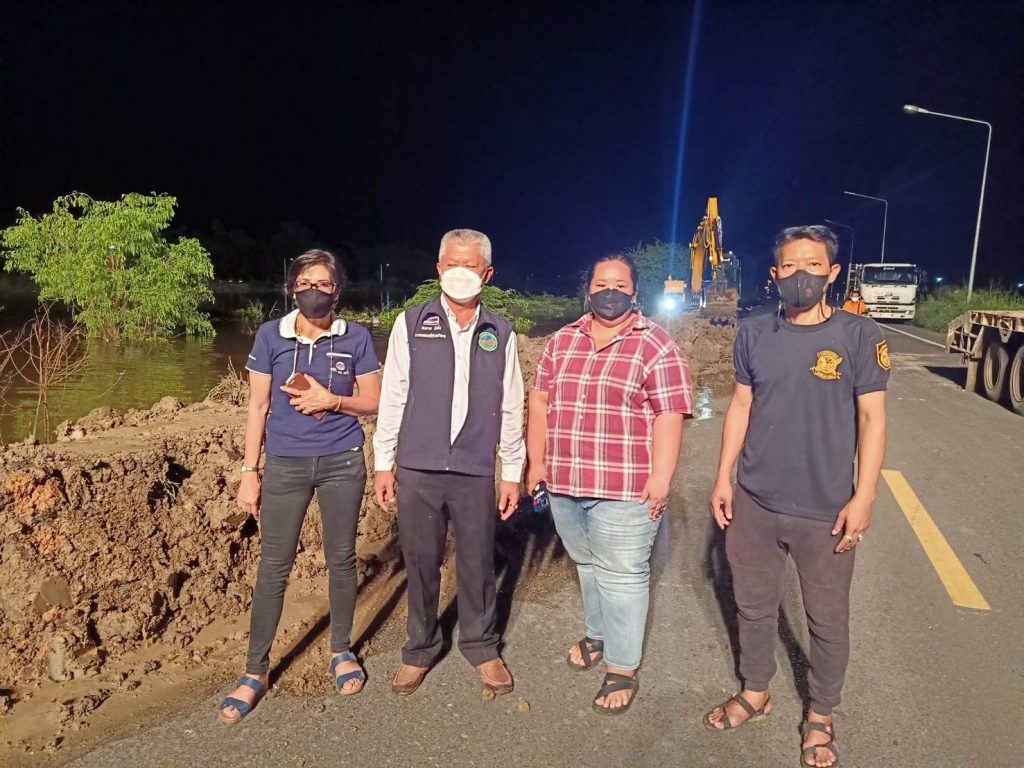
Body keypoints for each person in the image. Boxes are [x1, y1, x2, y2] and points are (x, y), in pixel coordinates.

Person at [703, 226, 888, 768]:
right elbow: (740, 407)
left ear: (833, 273)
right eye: (790, 265)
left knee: (826, 620)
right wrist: (723, 477)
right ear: (775, 273)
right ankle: (756, 691)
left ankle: (821, 714)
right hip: (755, 501)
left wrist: (864, 497)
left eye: (813, 264)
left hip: (825, 510)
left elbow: (872, 419)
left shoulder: (860, 335)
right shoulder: (754, 332)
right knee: (753, 605)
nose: (801, 274)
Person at [525, 253, 693, 715]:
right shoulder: (562, 341)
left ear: (635, 292)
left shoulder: (656, 345)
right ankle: (598, 635)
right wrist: (537, 463)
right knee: (586, 563)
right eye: (601, 284)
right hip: (565, 480)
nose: (610, 292)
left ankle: (623, 666)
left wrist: (661, 478)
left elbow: (669, 414)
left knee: (622, 575)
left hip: (626, 487)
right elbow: (540, 401)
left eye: (620, 284)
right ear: (588, 290)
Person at [219, 249, 381, 724]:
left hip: (342, 461)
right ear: (293, 289)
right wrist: (249, 471)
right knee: (274, 566)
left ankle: (341, 650)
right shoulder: (271, 335)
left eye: (324, 284)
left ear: (337, 291)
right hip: (285, 465)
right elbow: (257, 407)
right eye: (306, 283)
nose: (315, 291)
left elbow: (374, 401)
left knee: (341, 558)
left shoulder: (356, 337)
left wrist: (333, 401)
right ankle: (255, 671)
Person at [373, 229, 524, 697]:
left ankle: (482, 645)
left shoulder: (500, 331)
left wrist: (512, 472)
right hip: (418, 467)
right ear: (439, 269)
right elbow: (393, 396)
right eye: (452, 264)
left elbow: (511, 404)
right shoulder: (411, 323)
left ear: (487, 274)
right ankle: (420, 648)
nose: (461, 273)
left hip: (475, 467)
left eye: (471, 266)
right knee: (421, 562)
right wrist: (383, 463)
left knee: (478, 562)